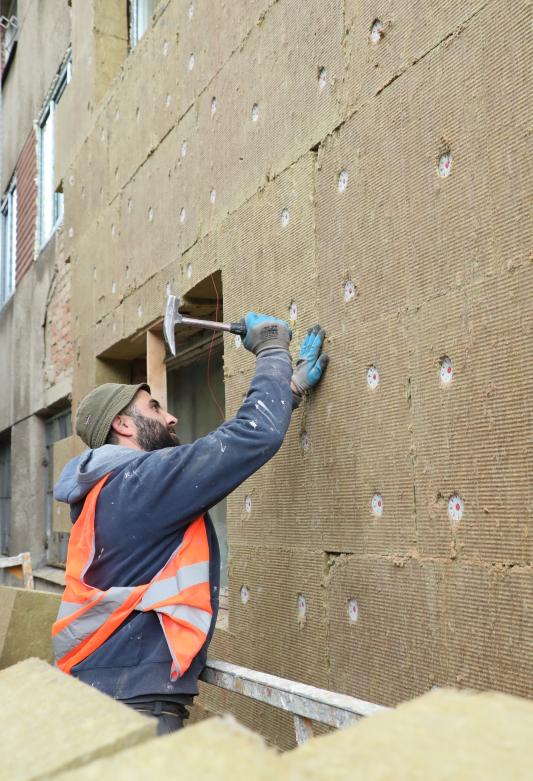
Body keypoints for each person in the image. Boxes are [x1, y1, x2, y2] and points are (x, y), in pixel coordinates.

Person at [51, 313, 328, 734]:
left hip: (109, 688)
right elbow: (251, 437)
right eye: (155, 408)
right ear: (122, 425)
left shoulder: (110, 491)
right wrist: (272, 350)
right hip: (133, 704)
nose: (170, 417)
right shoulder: (138, 483)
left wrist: (285, 390)